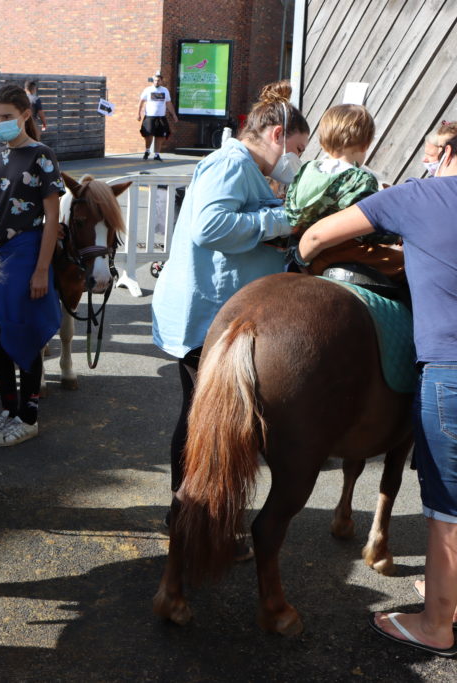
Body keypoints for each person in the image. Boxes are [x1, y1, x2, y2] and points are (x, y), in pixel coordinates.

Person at [299, 127, 457, 658]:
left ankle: (435, 627)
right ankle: (454, 603)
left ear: (449, 157)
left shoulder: (417, 194)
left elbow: (316, 238)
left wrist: (302, 251)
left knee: (449, 513)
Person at [151, 80, 309, 529]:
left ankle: (191, 515)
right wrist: (285, 220)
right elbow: (212, 227)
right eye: (297, 148)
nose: (296, 160)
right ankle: (192, 517)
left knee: (201, 417)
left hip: (213, 313)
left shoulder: (241, 166)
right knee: (202, 420)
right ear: (278, 135)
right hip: (209, 317)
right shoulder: (232, 163)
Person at [0, 85, 65, 447]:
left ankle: (28, 415)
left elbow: (52, 219)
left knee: (23, 330)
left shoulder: (42, 156)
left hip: (27, 249)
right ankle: (9, 408)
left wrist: (42, 269)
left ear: (25, 115)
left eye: (6, 117)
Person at [283, 104, 403, 280]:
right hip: (344, 251)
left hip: (302, 248)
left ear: (323, 141)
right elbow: (368, 229)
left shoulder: (307, 169)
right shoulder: (359, 179)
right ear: (365, 144)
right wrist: (394, 236)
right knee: (407, 265)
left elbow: (291, 212)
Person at [138, 73, 178, 161]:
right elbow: (141, 101)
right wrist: (139, 114)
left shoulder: (165, 91)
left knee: (160, 136)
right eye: (155, 80)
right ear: (153, 81)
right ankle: (147, 150)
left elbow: (168, 103)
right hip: (150, 116)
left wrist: (174, 114)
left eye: (158, 80)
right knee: (148, 134)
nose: (156, 82)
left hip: (161, 117)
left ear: (161, 81)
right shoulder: (148, 90)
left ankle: (157, 154)